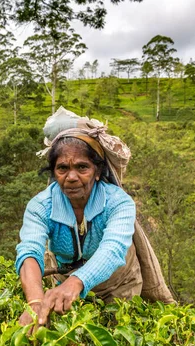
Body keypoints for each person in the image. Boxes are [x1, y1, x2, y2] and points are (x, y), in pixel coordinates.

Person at [15, 128, 143, 328]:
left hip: (118, 285)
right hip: (65, 286)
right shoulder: (41, 206)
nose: (71, 177)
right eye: (62, 168)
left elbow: (113, 249)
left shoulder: (118, 202)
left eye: (82, 167)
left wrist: (75, 283)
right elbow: (30, 251)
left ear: (98, 171)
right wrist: (35, 302)